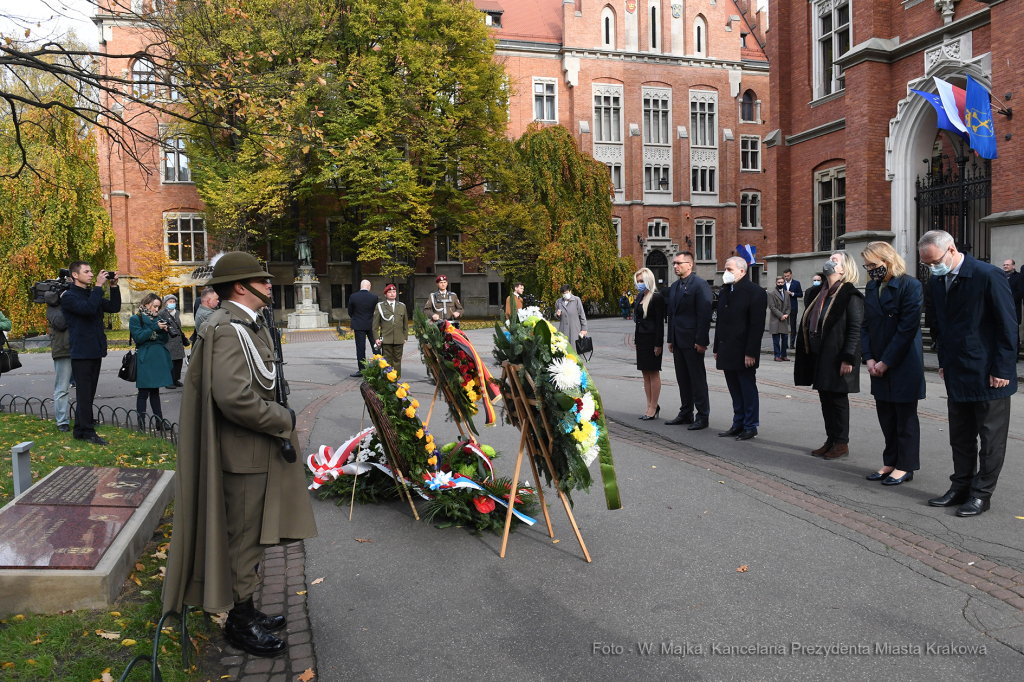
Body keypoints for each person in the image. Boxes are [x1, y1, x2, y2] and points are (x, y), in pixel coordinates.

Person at [163, 252, 316, 657]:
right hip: (244, 454)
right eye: (261, 280)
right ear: (240, 287)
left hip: (253, 450)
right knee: (244, 541)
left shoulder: (249, 325)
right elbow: (234, 398)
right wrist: (281, 419)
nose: (269, 284)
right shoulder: (230, 329)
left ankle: (247, 609)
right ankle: (239, 620)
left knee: (252, 539)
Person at [919, 231, 1018, 517]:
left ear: (951, 250)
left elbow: (1007, 326)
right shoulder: (938, 280)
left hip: (989, 372)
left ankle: (981, 494)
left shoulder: (988, 275)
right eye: (927, 264)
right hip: (956, 370)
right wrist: (943, 359)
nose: (932, 268)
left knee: (990, 440)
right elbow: (938, 325)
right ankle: (960, 486)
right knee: (960, 437)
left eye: (935, 261)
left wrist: (1002, 368)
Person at [860, 242, 925, 486]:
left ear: (887, 260)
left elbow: (907, 329)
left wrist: (886, 361)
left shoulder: (910, 285)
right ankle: (890, 462)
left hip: (903, 361)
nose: (870, 270)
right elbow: (865, 325)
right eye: (867, 266)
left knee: (905, 417)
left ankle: (905, 466)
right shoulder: (871, 286)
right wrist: (869, 358)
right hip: (877, 361)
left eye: (873, 265)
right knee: (886, 415)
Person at [794, 251, 863, 460]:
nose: (829, 263)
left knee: (837, 400)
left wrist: (848, 357)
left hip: (838, 355)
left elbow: (855, 329)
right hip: (818, 353)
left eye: (834, 261)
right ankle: (831, 439)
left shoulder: (850, 295)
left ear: (843, 269)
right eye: (829, 259)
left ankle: (841, 443)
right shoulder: (818, 293)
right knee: (825, 398)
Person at [61, 261, 121, 445]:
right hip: (82, 351)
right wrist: (97, 286)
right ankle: (87, 431)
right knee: (85, 394)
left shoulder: (91, 294)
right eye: (86, 271)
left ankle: (80, 429)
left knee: (89, 393)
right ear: (75, 276)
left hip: (95, 349)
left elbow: (114, 307)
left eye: (91, 270)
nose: (90, 274)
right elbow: (86, 310)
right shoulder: (69, 297)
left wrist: (113, 286)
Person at [714, 257, 767, 440]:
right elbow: (720, 321)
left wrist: (751, 352)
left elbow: (756, 325)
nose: (725, 272)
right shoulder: (726, 290)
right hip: (726, 348)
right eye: (725, 268)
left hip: (743, 349)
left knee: (747, 387)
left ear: (741, 271)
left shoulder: (755, 292)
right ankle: (738, 423)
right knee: (734, 389)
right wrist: (716, 347)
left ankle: (750, 425)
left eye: (729, 269)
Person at [665, 251, 712, 430]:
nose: (675, 266)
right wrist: (671, 338)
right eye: (674, 263)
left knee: (697, 379)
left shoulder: (700, 285)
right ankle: (686, 412)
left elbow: (704, 315)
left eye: (679, 263)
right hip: (678, 340)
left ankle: (702, 416)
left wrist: (701, 341)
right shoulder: (675, 286)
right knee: (682, 379)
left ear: (690, 265)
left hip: (693, 341)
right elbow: (672, 315)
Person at [130, 294, 173, 429]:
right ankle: (141, 422)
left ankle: (159, 421)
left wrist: (165, 330)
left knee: (155, 391)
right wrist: (155, 328)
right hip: (146, 357)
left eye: (158, 307)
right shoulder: (136, 319)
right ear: (146, 304)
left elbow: (164, 340)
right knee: (143, 392)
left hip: (158, 357)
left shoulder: (159, 318)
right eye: (155, 306)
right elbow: (138, 337)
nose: (156, 309)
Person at [632, 268, 666, 420]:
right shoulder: (640, 296)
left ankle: (654, 405)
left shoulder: (657, 297)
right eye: (638, 281)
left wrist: (658, 344)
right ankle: (649, 404)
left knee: (653, 372)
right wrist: (636, 340)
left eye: (641, 281)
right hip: (642, 339)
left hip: (652, 339)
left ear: (648, 281)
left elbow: (660, 323)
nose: (639, 284)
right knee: (645, 373)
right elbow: (638, 320)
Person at [45, 290, 72, 432]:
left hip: (78, 348)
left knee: (85, 387)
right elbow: (61, 323)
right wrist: (66, 302)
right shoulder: (52, 309)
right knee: (62, 388)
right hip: (62, 351)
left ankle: (85, 418)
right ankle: (62, 421)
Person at [373, 284, 409, 378]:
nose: (392, 294)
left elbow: (405, 324)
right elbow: (375, 325)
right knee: (386, 361)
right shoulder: (380, 306)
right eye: (389, 292)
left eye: (394, 292)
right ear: (385, 294)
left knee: (397, 360)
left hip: (398, 338)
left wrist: (405, 337)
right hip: (386, 338)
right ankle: (386, 381)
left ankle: (396, 380)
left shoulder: (402, 306)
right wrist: (376, 338)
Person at [347, 280, 378, 376]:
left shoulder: (353, 297)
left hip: (359, 325)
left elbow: (350, 311)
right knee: (375, 346)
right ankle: (380, 367)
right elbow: (376, 312)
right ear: (369, 286)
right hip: (371, 324)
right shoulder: (374, 297)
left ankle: (362, 370)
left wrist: (356, 318)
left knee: (360, 348)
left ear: (361, 286)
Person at [159, 294, 188, 388]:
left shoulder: (177, 313)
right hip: (169, 340)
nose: (172, 303)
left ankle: (176, 379)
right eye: (170, 302)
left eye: (173, 302)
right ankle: (169, 381)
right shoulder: (162, 314)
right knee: (170, 362)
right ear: (165, 303)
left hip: (178, 340)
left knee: (179, 361)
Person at [769, 275, 792, 361]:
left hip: (784, 319)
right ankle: (777, 355)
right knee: (776, 339)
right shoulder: (771, 293)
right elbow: (772, 307)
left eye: (782, 282)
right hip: (776, 319)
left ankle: (784, 355)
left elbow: (789, 306)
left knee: (785, 338)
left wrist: (786, 314)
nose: (780, 284)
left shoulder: (786, 293)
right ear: (776, 283)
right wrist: (781, 315)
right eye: (779, 282)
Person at [1002, 259, 1023, 343]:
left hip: (1013, 308)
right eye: (1004, 265)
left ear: (1013, 266)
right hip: (1002, 309)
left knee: (1014, 332)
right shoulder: (1001, 276)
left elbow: (1020, 292)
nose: (1005, 266)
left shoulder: (1019, 276)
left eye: (1007, 265)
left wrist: (1007, 300)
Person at [783, 268, 803, 338]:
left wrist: (792, 294)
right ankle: (785, 343)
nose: (786, 277)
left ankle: (792, 342)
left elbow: (800, 294)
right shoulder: (782, 283)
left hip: (793, 307)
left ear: (791, 275)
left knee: (793, 325)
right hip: (784, 307)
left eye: (788, 276)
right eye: (785, 276)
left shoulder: (796, 283)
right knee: (784, 325)